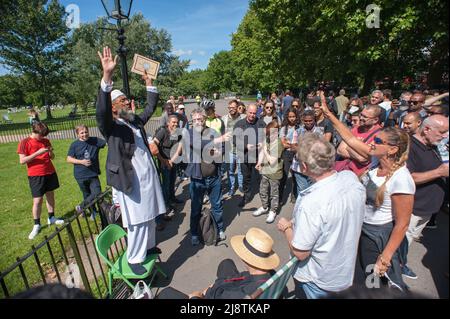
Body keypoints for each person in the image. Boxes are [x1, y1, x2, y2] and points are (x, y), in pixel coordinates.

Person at [320, 94, 415, 292]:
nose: (372, 142)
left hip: (378, 237)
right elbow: (350, 138)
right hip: (362, 230)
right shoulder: (375, 163)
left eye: (378, 140)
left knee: (374, 285)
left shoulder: (401, 178)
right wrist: (329, 114)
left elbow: (402, 223)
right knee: (358, 278)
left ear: (392, 150)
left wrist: (386, 257)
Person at [96, 46, 165, 275]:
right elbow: (102, 110)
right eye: (123, 100)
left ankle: (148, 248)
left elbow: (149, 108)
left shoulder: (132, 121)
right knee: (137, 219)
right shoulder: (110, 125)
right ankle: (135, 257)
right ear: (114, 107)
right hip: (131, 179)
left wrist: (149, 84)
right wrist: (107, 76)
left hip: (147, 177)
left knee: (150, 216)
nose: (127, 102)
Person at [277, 133, 366, 299]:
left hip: (316, 280)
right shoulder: (351, 179)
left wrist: (287, 228)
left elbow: (301, 253)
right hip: (343, 273)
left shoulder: (311, 203)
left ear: (304, 167)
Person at [399, 115, 449, 279]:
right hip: (413, 208)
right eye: (442, 132)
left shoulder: (433, 144)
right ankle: (393, 270)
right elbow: (409, 178)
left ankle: (398, 264)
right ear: (427, 129)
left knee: (410, 238)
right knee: (401, 241)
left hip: (427, 208)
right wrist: (439, 172)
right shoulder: (410, 146)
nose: (445, 136)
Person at [181, 108, 231, 246]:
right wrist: (217, 140)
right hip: (198, 179)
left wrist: (217, 152)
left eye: (200, 119)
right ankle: (195, 233)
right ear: (192, 121)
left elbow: (221, 149)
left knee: (217, 206)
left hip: (214, 177)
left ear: (204, 119)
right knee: (196, 207)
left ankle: (219, 229)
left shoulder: (212, 132)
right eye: (195, 119)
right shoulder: (189, 133)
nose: (198, 122)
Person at [188, 227, 279, 299]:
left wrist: (196, 296)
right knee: (226, 264)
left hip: (222, 294)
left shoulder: (244, 294)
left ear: (246, 258)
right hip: (244, 283)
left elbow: (221, 295)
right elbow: (243, 277)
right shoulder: (272, 274)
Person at [18, 122, 64, 240]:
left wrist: (50, 152)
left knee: (50, 195)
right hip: (36, 175)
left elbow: (52, 157)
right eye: (41, 135)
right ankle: (37, 224)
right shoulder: (25, 142)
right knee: (38, 200)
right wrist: (38, 153)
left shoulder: (45, 141)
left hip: (49, 172)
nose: (43, 138)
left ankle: (51, 217)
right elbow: (22, 161)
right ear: (35, 131)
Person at [67, 125, 106, 219]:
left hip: (93, 173)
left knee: (97, 192)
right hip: (80, 175)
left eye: (86, 132)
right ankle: (93, 212)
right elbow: (69, 159)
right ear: (77, 134)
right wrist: (81, 162)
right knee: (86, 194)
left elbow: (108, 143)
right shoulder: (74, 145)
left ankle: (81, 206)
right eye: (82, 133)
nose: (84, 134)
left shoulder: (95, 141)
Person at [152, 115, 183, 230]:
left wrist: (172, 160)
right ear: (168, 122)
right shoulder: (162, 132)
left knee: (172, 182)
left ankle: (172, 198)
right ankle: (165, 207)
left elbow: (179, 147)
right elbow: (154, 145)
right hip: (164, 162)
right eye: (173, 122)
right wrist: (164, 161)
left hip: (173, 161)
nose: (175, 124)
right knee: (165, 185)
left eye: (177, 122)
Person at [335, 104, 383, 177]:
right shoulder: (356, 129)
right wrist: (357, 152)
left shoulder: (380, 134)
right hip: (341, 170)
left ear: (375, 120)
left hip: (357, 175)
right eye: (361, 115)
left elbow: (363, 158)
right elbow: (340, 150)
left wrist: (348, 147)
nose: (360, 118)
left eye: (365, 117)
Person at [253, 121, 283, 224]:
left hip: (274, 173)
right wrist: (259, 162)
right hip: (265, 171)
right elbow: (261, 152)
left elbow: (272, 161)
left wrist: (265, 149)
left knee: (274, 194)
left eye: (271, 133)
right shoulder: (267, 139)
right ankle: (265, 207)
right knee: (263, 190)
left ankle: (272, 211)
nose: (269, 136)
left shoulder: (278, 143)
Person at [234, 104, 259, 207]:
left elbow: (266, 138)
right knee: (246, 178)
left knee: (259, 177)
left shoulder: (260, 123)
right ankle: (246, 196)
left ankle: (263, 196)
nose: (252, 115)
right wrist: (245, 145)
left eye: (254, 113)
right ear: (246, 112)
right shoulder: (239, 124)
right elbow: (235, 139)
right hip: (245, 155)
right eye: (250, 112)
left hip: (258, 156)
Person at [222, 99, 245, 198]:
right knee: (230, 170)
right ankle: (231, 187)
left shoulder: (242, 118)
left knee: (240, 170)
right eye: (230, 107)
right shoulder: (224, 119)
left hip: (240, 149)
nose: (231, 109)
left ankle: (240, 186)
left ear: (237, 108)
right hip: (229, 149)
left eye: (233, 107)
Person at [279, 108, 301, 203]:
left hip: (296, 154)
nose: (292, 118)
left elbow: (300, 143)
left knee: (295, 176)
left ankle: (294, 195)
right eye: (290, 117)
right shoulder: (284, 128)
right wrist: (292, 145)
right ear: (287, 117)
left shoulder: (300, 128)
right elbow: (283, 143)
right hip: (286, 153)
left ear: (296, 117)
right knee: (283, 175)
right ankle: (280, 197)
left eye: (293, 117)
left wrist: (290, 143)